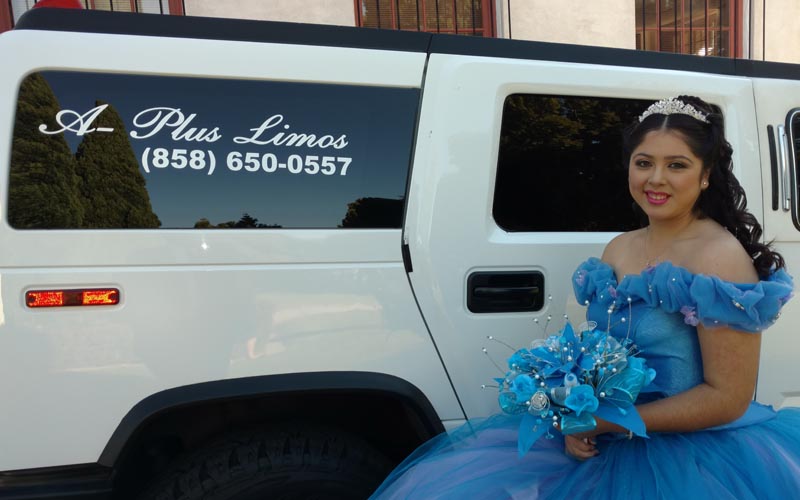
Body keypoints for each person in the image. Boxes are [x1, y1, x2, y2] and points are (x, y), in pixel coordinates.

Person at [371, 96, 800, 499]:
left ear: (706, 175)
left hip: (691, 459)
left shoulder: (718, 257)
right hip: (602, 446)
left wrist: (608, 422)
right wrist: (578, 413)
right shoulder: (619, 248)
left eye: (677, 165)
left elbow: (727, 396)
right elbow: (602, 351)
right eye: (644, 162)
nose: (656, 178)